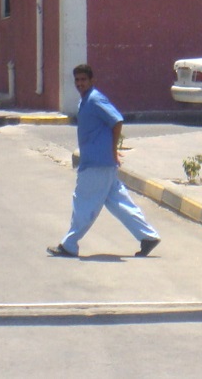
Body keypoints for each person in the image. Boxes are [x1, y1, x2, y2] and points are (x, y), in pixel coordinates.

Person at [48, 64, 160, 259]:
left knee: (83, 202)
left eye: (84, 80)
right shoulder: (85, 101)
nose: (80, 83)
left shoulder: (95, 99)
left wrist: (113, 150)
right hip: (100, 163)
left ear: (92, 81)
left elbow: (116, 121)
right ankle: (148, 236)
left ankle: (69, 245)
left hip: (97, 164)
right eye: (77, 80)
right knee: (119, 202)